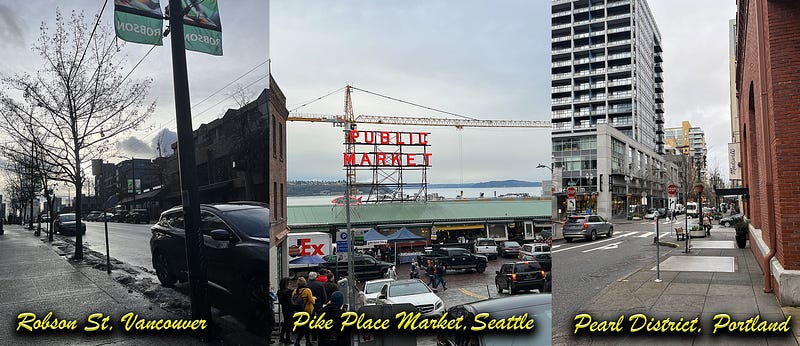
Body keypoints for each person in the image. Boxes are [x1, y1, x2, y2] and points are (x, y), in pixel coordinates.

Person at [292, 277, 315, 346]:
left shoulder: (295, 291)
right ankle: (298, 341)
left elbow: (293, 299)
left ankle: (308, 341)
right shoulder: (307, 290)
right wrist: (313, 298)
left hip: (299, 311)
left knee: (305, 326)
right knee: (305, 327)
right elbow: (312, 301)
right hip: (307, 311)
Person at [307, 272, 327, 342]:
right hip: (319, 304)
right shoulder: (320, 284)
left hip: (310, 305)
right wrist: (325, 301)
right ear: (316, 277)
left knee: (311, 320)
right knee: (320, 319)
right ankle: (320, 335)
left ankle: (313, 336)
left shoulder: (307, 285)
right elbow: (324, 295)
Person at [277, 277, 294, 344]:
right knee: (289, 323)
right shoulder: (288, 292)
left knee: (285, 322)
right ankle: (287, 338)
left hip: (284, 308)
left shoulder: (280, 292)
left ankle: (282, 337)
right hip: (289, 308)